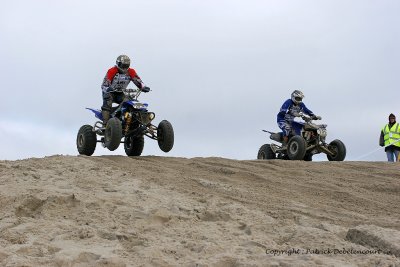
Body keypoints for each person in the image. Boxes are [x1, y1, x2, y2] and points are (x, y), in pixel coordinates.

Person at [101, 55, 149, 125]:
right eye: (123, 65)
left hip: (121, 93)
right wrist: (108, 88)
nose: (124, 67)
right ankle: (105, 123)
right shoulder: (112, 71)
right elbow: (105, 84)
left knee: (132, 102)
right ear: (118, 63)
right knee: (107, 100)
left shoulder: (131, 71)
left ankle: (134, 121)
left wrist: (143, 87)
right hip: (110, 92)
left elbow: (138, 80)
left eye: (126, 65)